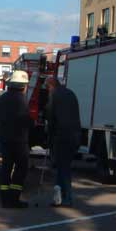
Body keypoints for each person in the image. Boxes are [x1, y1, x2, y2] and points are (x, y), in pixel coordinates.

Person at [0, 70, 32, 208]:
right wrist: (32, 123)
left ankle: (5, 199)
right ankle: (14, 199)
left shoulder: (3, 98)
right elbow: (24, 120)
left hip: (5, 140)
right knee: (21, 168)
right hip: (19, 141)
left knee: (6, 168)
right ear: (23, 86)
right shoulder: (22, 100)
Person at [45, 77, 81, 206]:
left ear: (51, 86)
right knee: (62, 166)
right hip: (75, 135)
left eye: (47, 87)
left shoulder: (54, 96)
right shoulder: (70, 93)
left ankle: (67, 198)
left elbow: (50, 117)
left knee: (63, 168)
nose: (47, 90)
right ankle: (59, 197)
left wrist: (48, 136)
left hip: (62, 136)